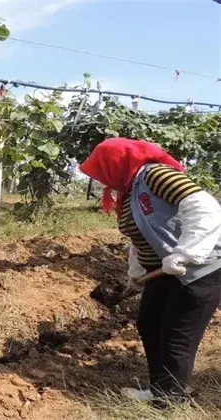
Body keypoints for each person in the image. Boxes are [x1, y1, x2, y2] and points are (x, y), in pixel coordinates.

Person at [79, 137, 221, 405]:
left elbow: (205, 208)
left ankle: (169, 402)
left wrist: (185, 252)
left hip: (199, 270)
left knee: (176, 337)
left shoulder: (156, 174)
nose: (101, 180)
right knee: (149, 324)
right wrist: (136, 273)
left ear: (116, 163)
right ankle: (161, 388)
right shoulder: (129, 190)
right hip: (165, 271)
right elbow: (139, 237)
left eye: (101, 171)